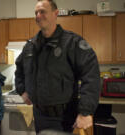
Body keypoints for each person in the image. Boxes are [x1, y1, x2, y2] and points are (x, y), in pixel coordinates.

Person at [15, 0, 100, 134]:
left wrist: (85, 112)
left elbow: (91, 75)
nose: (38, 16)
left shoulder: (72, 42)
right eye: (36, 12)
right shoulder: (30, 46)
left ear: (55, 14)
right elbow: (19, 70)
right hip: (39, 116)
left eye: (42, 11)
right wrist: (22, 90)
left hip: (66, 117)